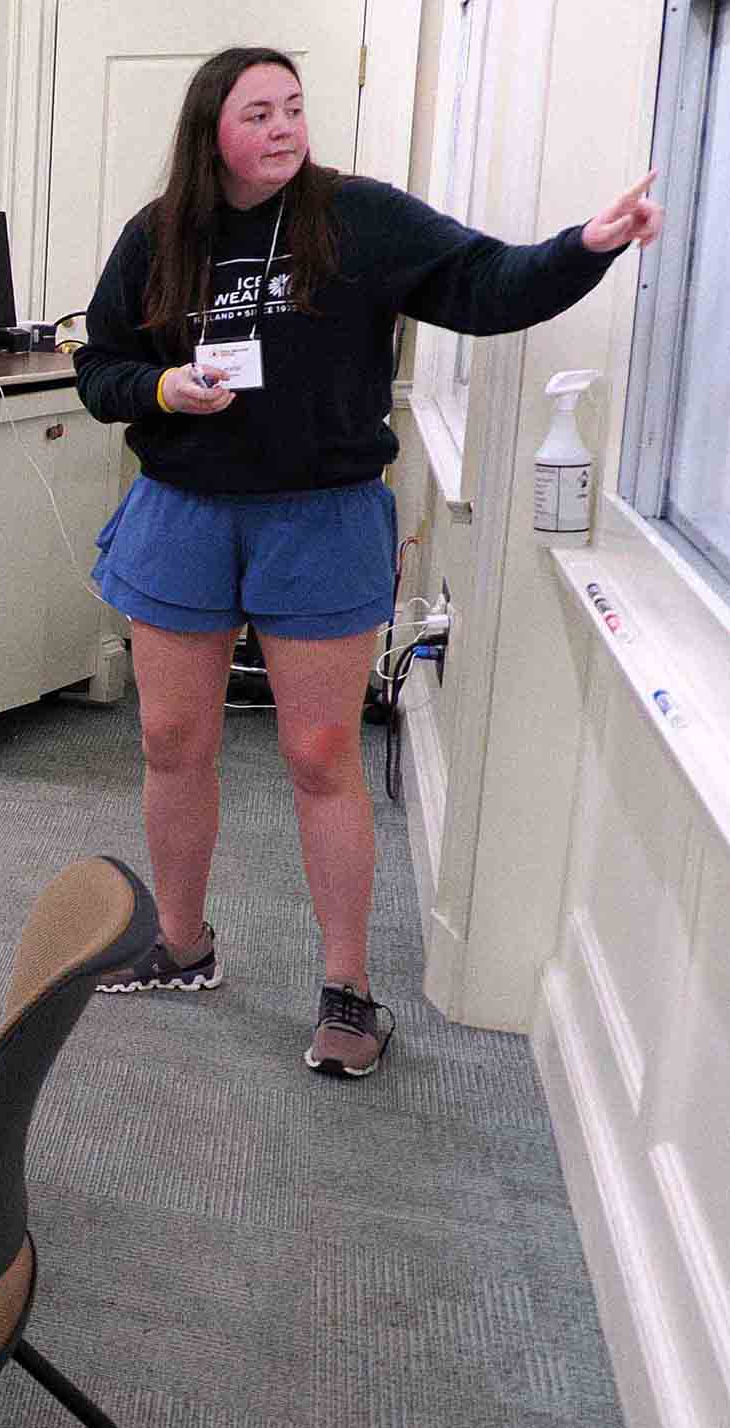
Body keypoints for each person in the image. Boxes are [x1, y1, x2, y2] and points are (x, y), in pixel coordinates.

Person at [73, 47, 661, 1078]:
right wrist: (161, 393)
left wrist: (588, 245)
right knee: (169, 739)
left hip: (320, 517)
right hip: (182, 512)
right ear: (211, 128)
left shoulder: (357, 220)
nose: (283, 127)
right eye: (257, 112)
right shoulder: (159, 233)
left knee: (317, 757)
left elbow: (488, 285)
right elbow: (100, 367)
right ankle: (180, 944)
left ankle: (346, 990)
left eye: (293, 108)